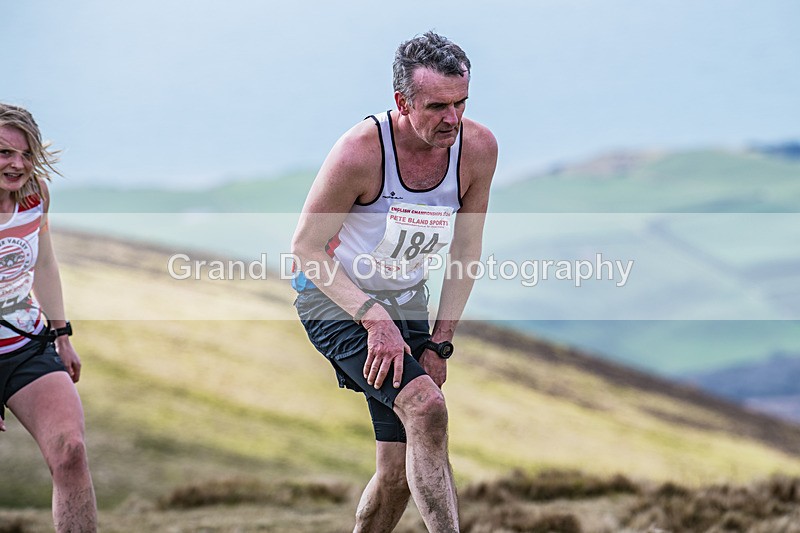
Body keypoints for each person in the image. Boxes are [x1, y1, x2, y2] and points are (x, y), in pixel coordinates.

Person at [292, 31, 497, 532]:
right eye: (437, 106)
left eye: (461, 102)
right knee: (427, 410)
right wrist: (372, 317)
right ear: (402, 102)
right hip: (335, 300)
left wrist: (440, 341)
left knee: (396, 473)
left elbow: (465, 250)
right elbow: (305, 249)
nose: (452, 119)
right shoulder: (360, 152)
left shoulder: (478, 149)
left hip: (408, 303)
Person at [0, 103, 97, 532]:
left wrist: (61, 335)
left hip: (26, 344)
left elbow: (44, 264)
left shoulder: (35, 192)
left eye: (25, 153)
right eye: (4, 152)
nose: (17, 164)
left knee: (70, 451)